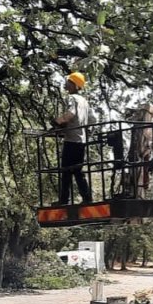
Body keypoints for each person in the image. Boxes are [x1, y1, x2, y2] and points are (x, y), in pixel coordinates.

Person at [52, 71, 92, 205]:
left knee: (66, 171)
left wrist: (58, 121)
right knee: (78, 171)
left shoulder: (72, 98)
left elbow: (70, 114)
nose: (66, 84)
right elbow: (92, 119)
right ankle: (87, 198)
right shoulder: (84, 101)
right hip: (81, 141)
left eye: (69, 82)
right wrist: (86, 133)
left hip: (71, 141)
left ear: (75, 85)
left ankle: (64, 200)